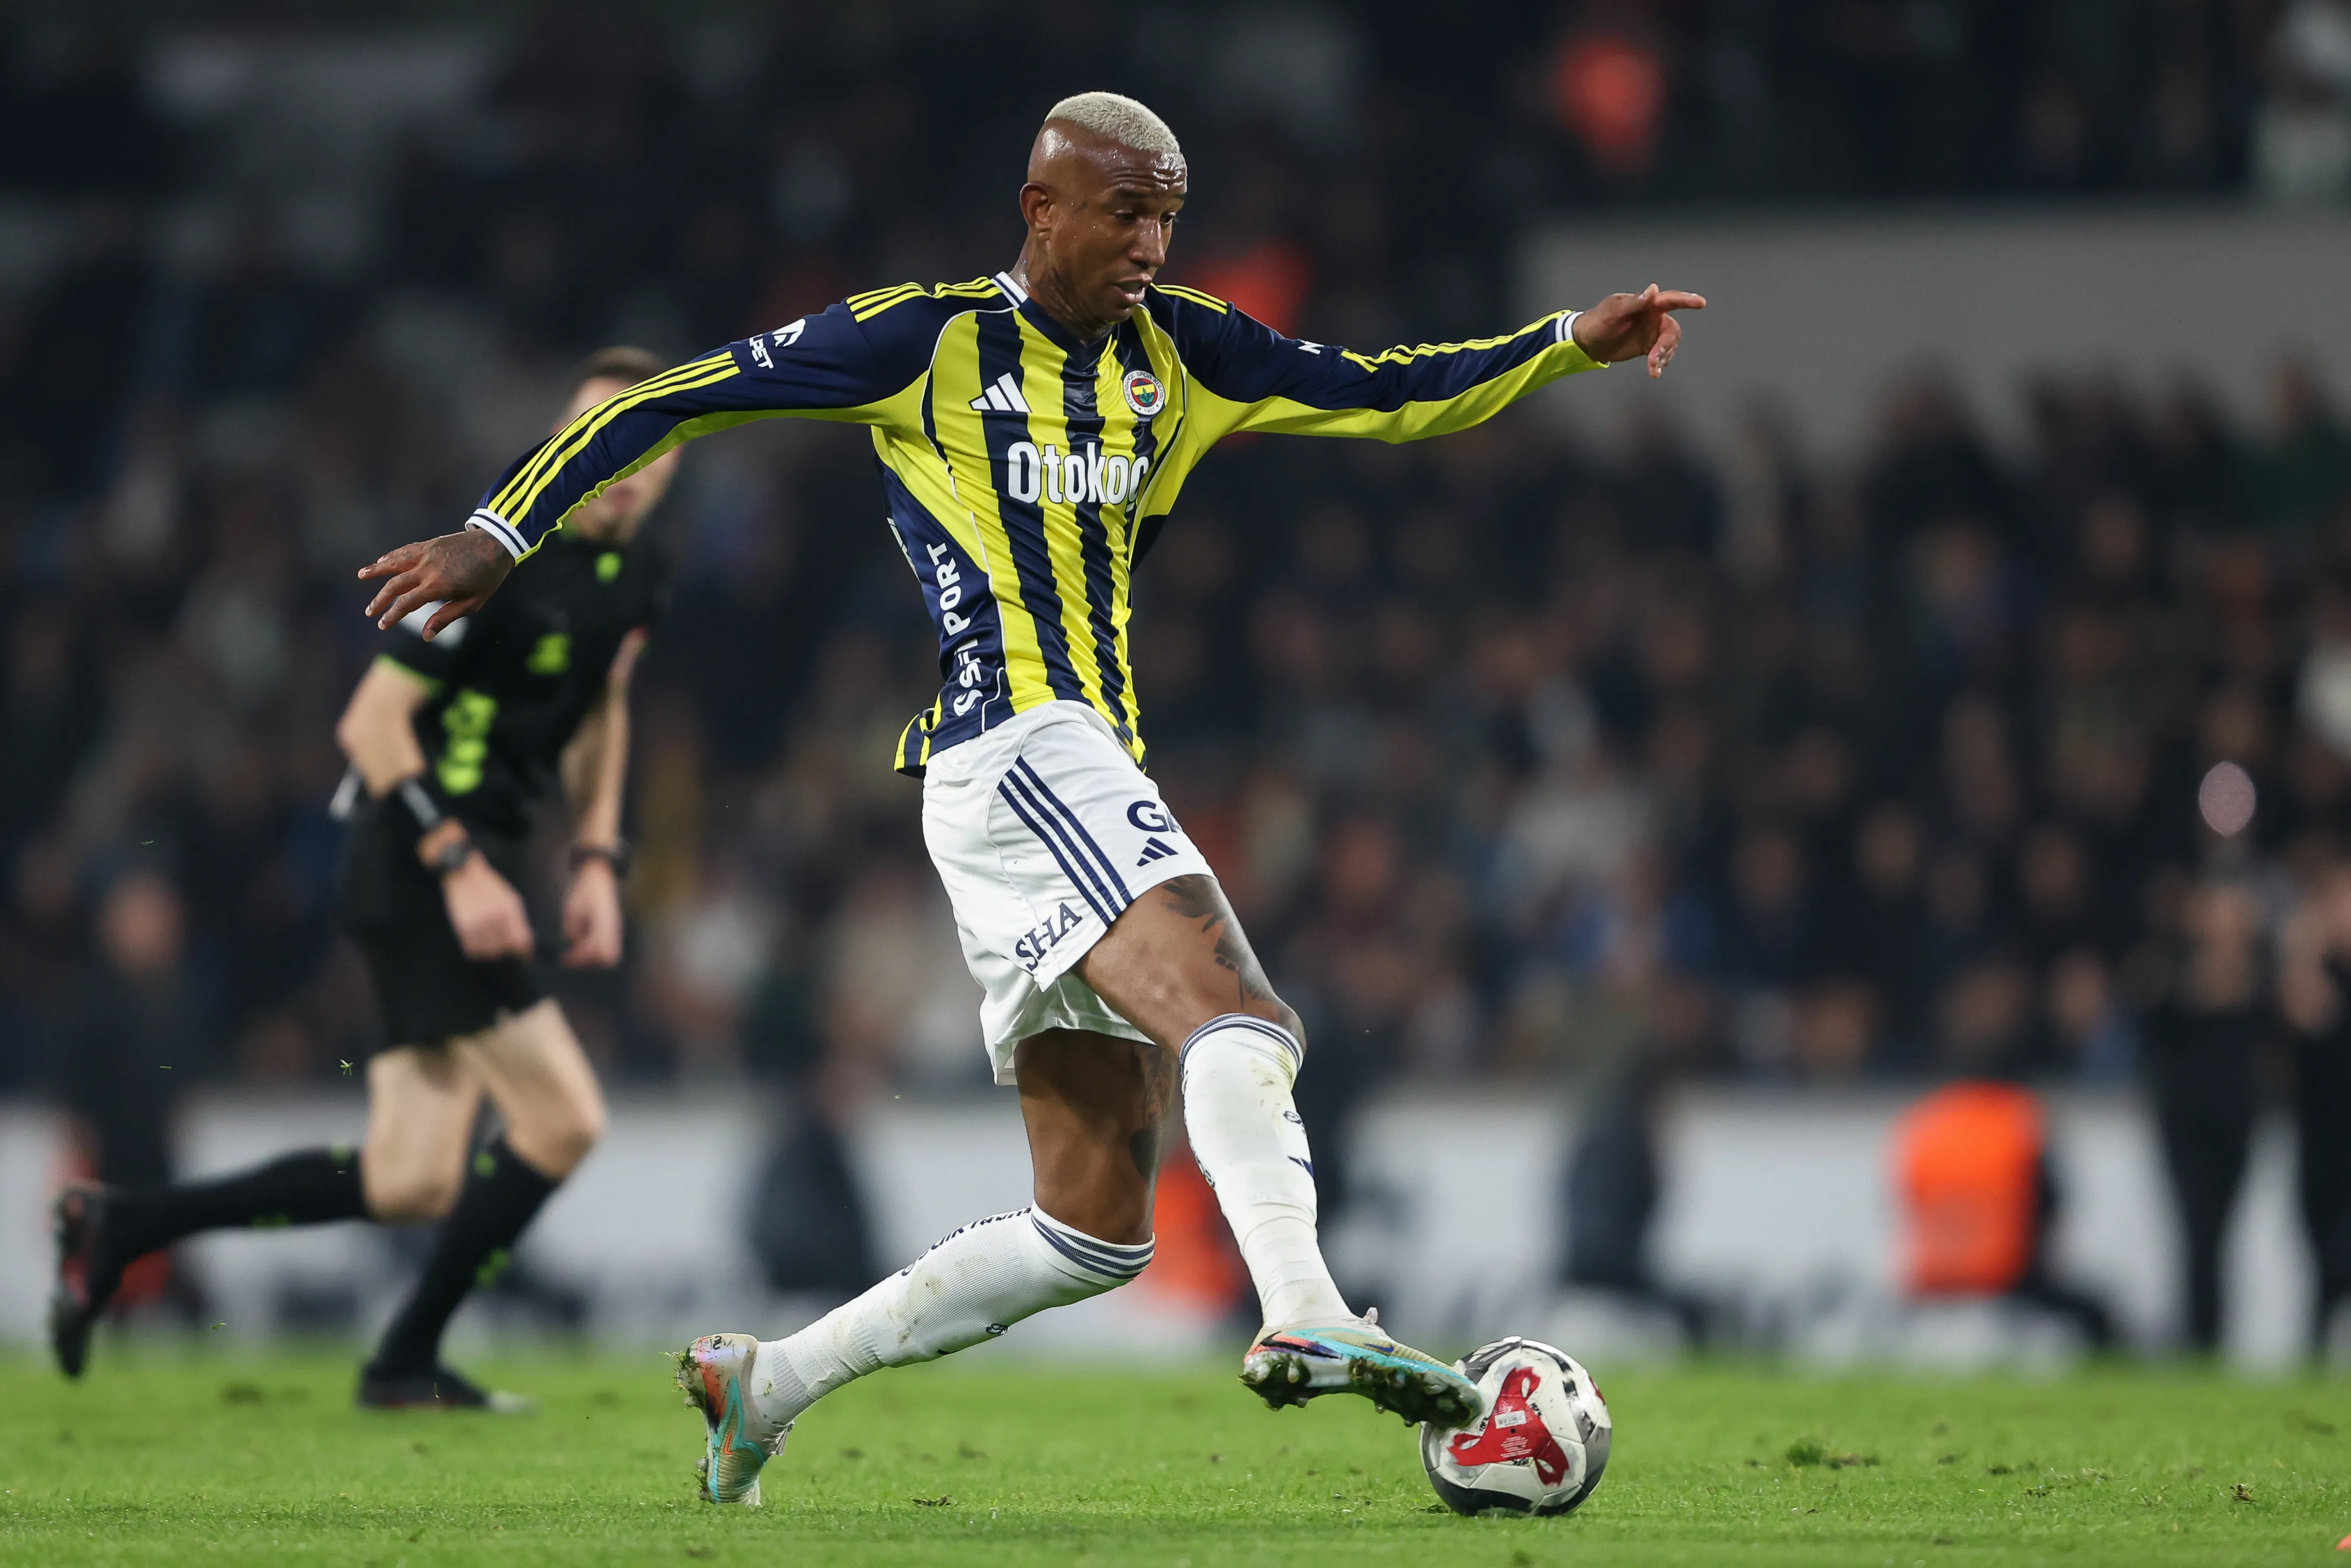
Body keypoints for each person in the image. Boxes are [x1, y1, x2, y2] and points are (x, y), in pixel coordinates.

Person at [357, 91, 1702, 1503]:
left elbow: (1383, 392)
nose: (1152, 244)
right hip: (1018, 743)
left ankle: (770, 1381)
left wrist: (1561, 345)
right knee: (1242, 1019)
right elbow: (669, 396)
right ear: (1040, 209)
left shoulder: (1182, 350)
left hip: (1053, 770)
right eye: (1127, 212)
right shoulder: (919, 339)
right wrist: (498, 530)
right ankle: (1306, 1301)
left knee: (1097, 1227)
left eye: (1170, 217)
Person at [50, 346, 678, 1407]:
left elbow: (604, 708)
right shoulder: (498, 553)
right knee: (565, 1117)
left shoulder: (639, 575)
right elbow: (371, 723)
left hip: (467, 869)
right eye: (587, 436)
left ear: (672, 457)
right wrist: (461, 866)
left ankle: (123, 1224)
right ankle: (404, 1360)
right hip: (415, 861)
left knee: (412, 1176)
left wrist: (597, 859)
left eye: (636, 443)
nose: (611, 462)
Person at [2275, 853, 2351, 1356]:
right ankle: (2316, 1354)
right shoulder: (2310, 978)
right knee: (2321, 1261)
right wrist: (2301, 949)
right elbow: (2308, 1015)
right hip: (2318, 1142)